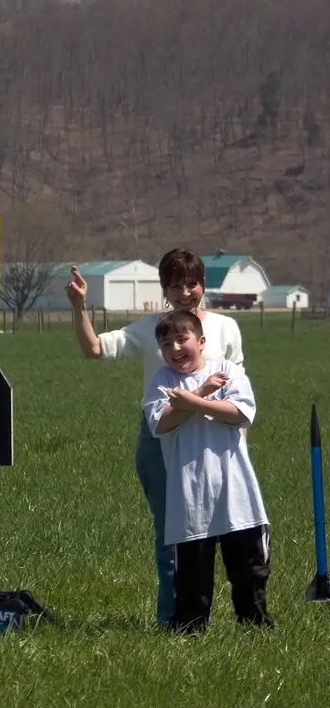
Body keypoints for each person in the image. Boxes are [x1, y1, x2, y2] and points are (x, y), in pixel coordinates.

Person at [66, 248, 244, 626]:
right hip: (161, 439)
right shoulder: (150, 329)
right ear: (164, 290)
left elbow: (239, 389)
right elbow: (94, 349)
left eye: (191, 284)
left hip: (213, 442)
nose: (184, 293)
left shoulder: (226, 328)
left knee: (224, 534)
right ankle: (173, 621)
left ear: (203, 284)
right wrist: (79, 305)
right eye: (175, 286)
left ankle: (220, 616)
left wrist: (238, 438)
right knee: (171, 535)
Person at [142, 310, 273, 632]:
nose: (175, 348)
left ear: (201, 341)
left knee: (249, 570)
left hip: (235, 491)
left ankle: (254, 628)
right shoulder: (163, 380)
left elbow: (239, 413)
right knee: (192, 575)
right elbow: (161, 422)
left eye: (182, 339)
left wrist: (190, 403)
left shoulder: (226, 371)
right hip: (190, 494)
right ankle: (190, 632)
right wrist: (200, 394)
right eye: (166, 343)